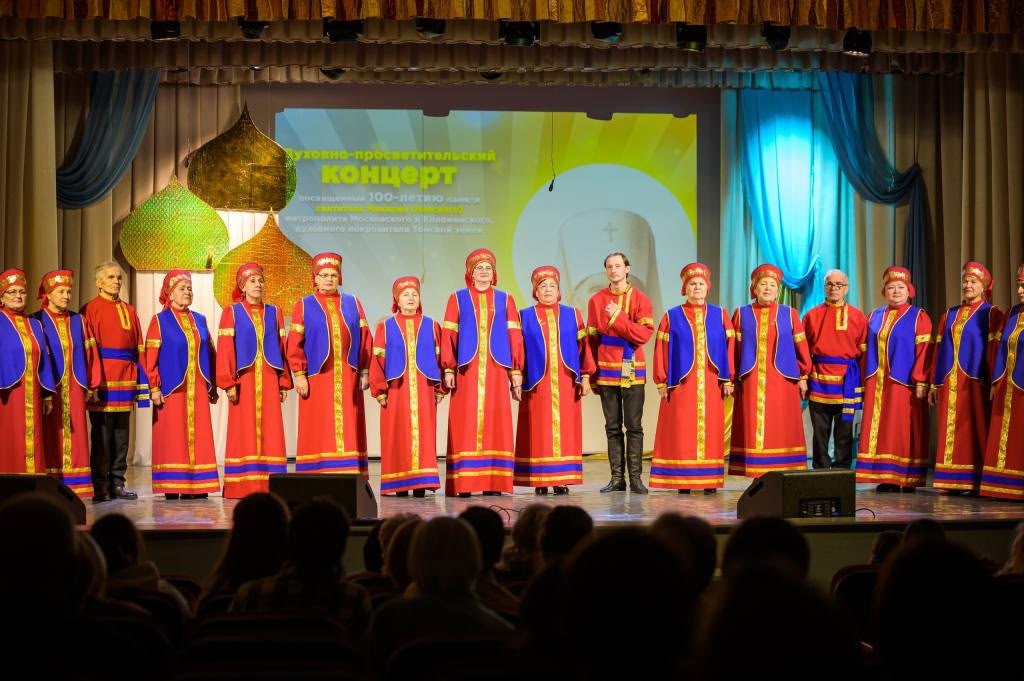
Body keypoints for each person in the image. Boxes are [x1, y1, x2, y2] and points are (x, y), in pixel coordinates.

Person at [440, 248, 524, 497]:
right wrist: (448, 367)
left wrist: (516, 372)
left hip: (496, 369)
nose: (484, 272)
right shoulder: (457, 298)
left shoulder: (506, 299)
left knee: (496, 422)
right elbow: (449, 335)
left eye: (488, 268)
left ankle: (493, 482)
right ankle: (464, 484)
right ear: (471, 273)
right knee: (465, 422)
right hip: (467, 369)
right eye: (479, 268)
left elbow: (514, 336)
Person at [651, 263, 734, 493]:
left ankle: (709, 481)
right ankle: (683, 480)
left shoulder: (720, 314)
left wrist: (728, 379)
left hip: (711, 382)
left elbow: (730, 348)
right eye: (692, 284)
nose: (697, 287)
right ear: (684, 288)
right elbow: (661, 349)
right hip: (681, 383)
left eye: (701, 284)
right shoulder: (671, 316)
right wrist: (661, 380)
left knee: (711, 431)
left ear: (707, 287)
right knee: (682, 430)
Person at [286, 252, 371, 476]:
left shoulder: (353, 302)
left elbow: (365, 338)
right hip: (318, 376)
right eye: (323, 275)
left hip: (348, 375)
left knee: (350, 424)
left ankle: (348, 473)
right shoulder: (304, 305)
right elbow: (294, 342)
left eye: (333, 275)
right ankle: (316, 473)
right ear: (315, 278)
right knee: (318, 425)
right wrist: (299, 374)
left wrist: (364, 370)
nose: (328, 279)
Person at [515, 266, 594, 495]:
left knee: (566, 430)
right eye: (543, 286)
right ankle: (540, 478)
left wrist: (586, 376)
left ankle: (562, 479)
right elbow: (518, 349)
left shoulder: (572, 314)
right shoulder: (524, 315)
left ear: (558, 290)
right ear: (535, 291)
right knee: (538, 431)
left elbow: (583, 347)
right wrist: (516, 376)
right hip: (536, 383)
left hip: (567, 381)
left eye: (552, 286)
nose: (548, 290)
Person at [215, 263, 291, 498]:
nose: (258, 285)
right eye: (252, 281)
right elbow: (225, 349)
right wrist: (228, 383)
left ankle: (271, 484)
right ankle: (242, 485)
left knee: (271, 430)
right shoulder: (232, 312)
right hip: (244, 380)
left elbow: (282, 348)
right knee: (243, 430)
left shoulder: (274, 312)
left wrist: (283, 381)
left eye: (260, 280)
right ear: (242, 286)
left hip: (269, 377)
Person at [729, 264, 811, 477]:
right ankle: (756, 470)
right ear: (754, 288)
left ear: (778, 290)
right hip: (751, 379)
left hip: (783, 380)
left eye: (772, 285)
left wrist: (803, 375)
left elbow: (801, 347)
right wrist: (731, 378)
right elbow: (733, 350)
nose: (767, 288)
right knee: (752, 425)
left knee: (781, 424)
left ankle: (784, 468)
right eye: (763, 284)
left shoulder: (789, 314)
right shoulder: (741, 313)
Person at [856, 266, 933, 492]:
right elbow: (864, 349)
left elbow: (925, 351)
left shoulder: (919, 316)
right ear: (884, 291)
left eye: (900, 287)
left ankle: (907, 478)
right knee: (881, 429)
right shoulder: (874, 316)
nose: (896, 291)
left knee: (902, 428)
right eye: (891, 287)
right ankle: (886, 477)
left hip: (904, 383)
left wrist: (921, 380)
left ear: (909, 291)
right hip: (877, 381)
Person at [930, 261, 1003, 495]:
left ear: (984, 287)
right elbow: (938, 351)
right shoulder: (949, 314)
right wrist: (934, 383)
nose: (968, 285)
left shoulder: (991, 313)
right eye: (965, 281)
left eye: (973, 282)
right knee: (948, 428)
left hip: (975, 380)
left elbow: (994, 350)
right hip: (949, 379)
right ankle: (949, 480)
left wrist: (994, 380)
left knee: (973, 427)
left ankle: (975, 479)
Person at [145, 270, 220, 499]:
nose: (187, 292)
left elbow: (210, 352)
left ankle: (197, 485)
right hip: (172, 388)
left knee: (199, 435)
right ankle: (172, 484)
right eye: (182, 288)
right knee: (173, 436)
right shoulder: (160, 320)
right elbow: (150, 357)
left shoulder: (200, 319)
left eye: (189, 288)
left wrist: (213, 385)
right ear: (170, 293)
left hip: (198, 386)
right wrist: (154, 387)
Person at [80, 260, 149, 501]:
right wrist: (92, 382)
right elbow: (87, 350)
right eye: (110, 277)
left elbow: (139, 347)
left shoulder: (129, 310)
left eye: (119, 277)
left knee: (121, 436)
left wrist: (141, 381)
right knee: (102, 436)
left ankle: (118, 482)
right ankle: (100, 485)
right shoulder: (89, 309)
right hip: (103, 381)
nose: (116, 281)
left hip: (126, 379)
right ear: (98, 282)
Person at [369, 276, 444, 498]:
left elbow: (440, 358)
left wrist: (439, 389)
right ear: (397, 299)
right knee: (397, 434)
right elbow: (377, 360)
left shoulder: (432, 325)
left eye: (414, 294)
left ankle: (421, 484)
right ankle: (399, 484)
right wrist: (379, 390)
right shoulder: (386, 326)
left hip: (424, 388)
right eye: (405, 295)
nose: (410, 298)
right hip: (396, 389)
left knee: (425, 435)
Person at [587, 252, 655, 493]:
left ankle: (636, 478)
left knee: (634, 426)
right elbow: (592, 339)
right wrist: (592, 374)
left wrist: (617, 317)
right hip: (606, 370)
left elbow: (643, 335)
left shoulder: (641, 299)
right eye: (609, 266)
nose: (614, 270)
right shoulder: (596, 300)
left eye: (618, 266)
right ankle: (617, 478)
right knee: (612, 426)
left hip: (633, 369)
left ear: (627, 268)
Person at [33, 269, 103, 499]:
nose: (66, 296)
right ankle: (51, 482)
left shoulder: (78, 320)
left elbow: (90, 353)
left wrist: (93, 383)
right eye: (61, 292)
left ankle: (77, 486)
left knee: (77, 434)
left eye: (68, 292)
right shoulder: (36, 321)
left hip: (74, 385)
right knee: (49, 434)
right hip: (49, 387)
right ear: (48, 294)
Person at [801, 269, 868, 470]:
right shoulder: (811, 316)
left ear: (846, 288)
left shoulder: (858, 316)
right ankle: (821, 470)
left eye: (839, 285)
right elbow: (803, 351)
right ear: (824, 287)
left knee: (845, 432)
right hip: (819, 381)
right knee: (819, 433)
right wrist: (803, 378)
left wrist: (863, 384)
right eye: (830, 284)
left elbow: (864, 354)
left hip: (847, 382)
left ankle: (842, 471)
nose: (834, 288)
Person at [0, 269, 55, 475]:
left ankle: (32, 483)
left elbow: (44, 360)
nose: (18, 296)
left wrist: (47, 394)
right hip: (7, 395)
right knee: (10, 438)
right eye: (12, 292)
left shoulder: (35, 324)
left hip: (32, 393)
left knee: (33, 440)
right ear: (2, 297)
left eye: (22, 292)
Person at [981, 264, 1024, 501]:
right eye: (1019, 285)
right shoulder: (1012, 313)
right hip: (1007, 384)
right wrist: (996, 380)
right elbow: (998, 347)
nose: (1019, 291)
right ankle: (1001, 485)